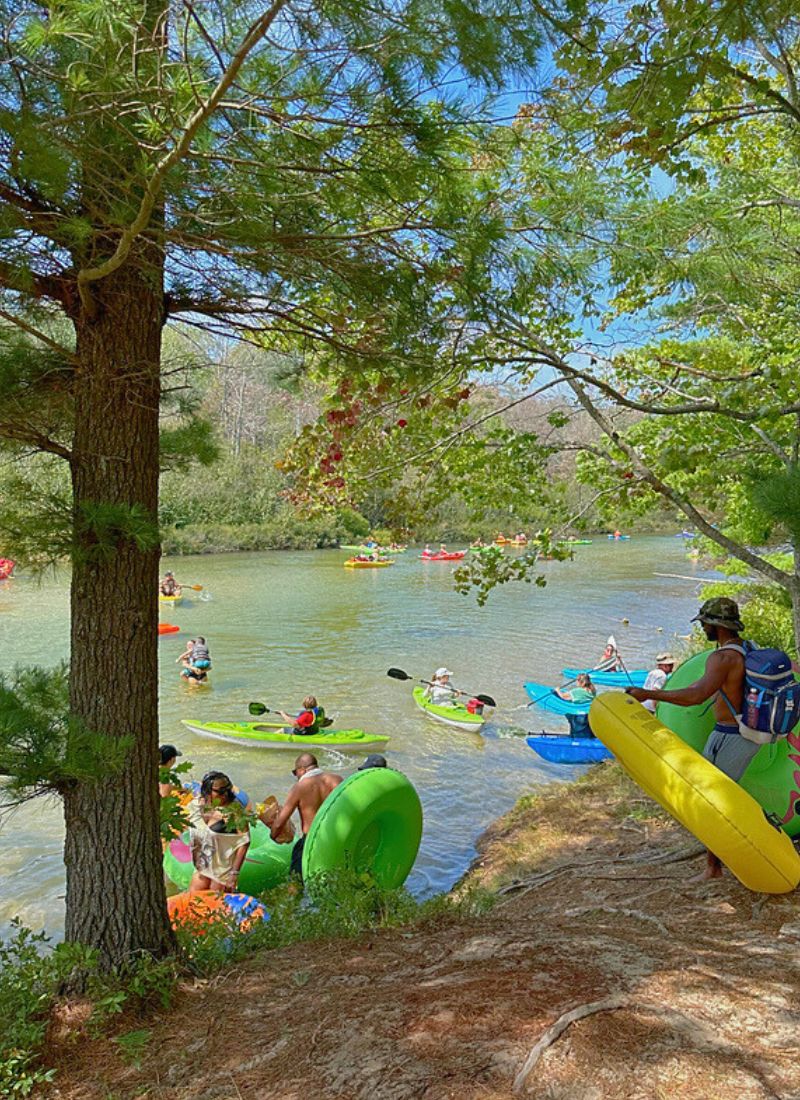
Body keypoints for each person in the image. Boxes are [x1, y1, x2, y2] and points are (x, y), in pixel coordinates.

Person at [626, 597, 755, 881]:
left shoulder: (722, 658)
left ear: (717, 625)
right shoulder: (745, 649)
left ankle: (716, 868)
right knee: (715, 799)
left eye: (705, 623)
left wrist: (648, 695)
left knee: (714, 803)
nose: (702, 629)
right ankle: (714, 865)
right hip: (734, 732)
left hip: (732, 735)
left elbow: (697, 696)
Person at [268, 753, 343, 880]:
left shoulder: (300, 787)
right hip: (335, 838)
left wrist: (273, 836)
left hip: (311, 841)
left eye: (295, 772)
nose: (296, 776)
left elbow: (279, 823)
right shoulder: (337, 780)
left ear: (302, 769)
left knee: (296, 882)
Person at [187, 772, 250, 893]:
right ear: (207, 791)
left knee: (216, 908)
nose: (224, 794)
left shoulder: (235, 811)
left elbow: (245, 842)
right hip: (202, 869)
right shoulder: (195, 806)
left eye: (227, 790)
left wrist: (234, 873)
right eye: (220, 791)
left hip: (223, 873)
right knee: (193, 904)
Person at [556, 673, 597, 738]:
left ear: (582, 682)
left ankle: (574, 737)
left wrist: (557, 690)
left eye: (577, 681)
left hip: (578, 716)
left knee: (568, 713)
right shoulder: (592, 691)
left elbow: (563, 697)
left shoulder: (576, 691)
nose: (576, 682)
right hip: (589, 715)